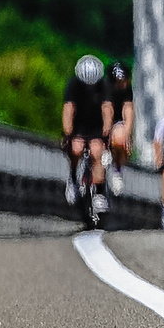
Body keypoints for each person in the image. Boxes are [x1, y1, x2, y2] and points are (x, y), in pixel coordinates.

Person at [60, 55, 113, 223]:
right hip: (79, 124)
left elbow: (107, 108)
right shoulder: (73, 85)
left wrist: (107, 132)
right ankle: (73, 177)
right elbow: (69, 109)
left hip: (96, 124)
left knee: (97, 152)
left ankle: (98, 191)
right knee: (76, 148)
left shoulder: (104, 85)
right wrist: (68, 133)